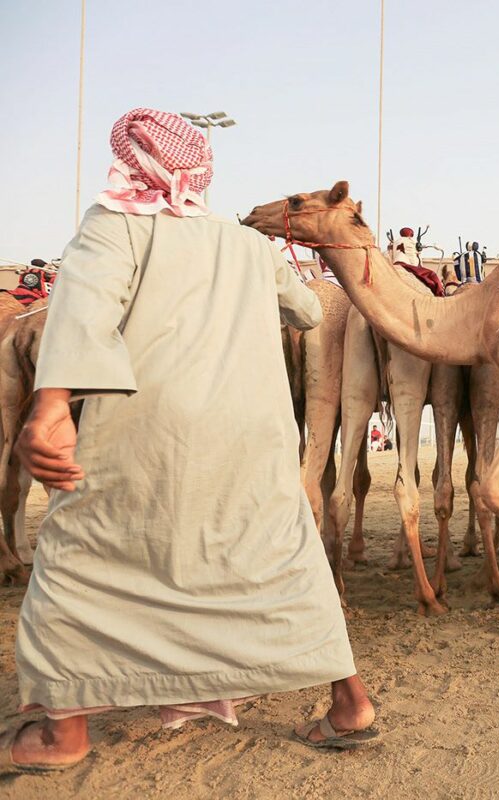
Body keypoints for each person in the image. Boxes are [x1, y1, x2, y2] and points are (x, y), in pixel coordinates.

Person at [2, 108, 376, 774]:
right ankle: (350, 703)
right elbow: (310, 311)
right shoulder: (248, 247)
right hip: (252, 435)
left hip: (147, 430)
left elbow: (83, 306)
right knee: (279, 558)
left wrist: (51, 405)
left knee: (76, 557)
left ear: (130, 163)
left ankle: (64, 733)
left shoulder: (112, 226)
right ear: (200, 172)